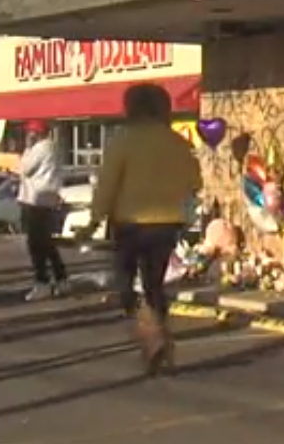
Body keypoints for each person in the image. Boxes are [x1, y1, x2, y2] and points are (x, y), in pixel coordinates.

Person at [83, 83, 202, 375]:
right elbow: (194, 184)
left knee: (125, 284)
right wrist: (186, 221)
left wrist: (94, 220)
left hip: (130, 222)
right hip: (166, 223)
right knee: (154, 283)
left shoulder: (123, 141)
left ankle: (150, 332)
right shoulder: (177, 143)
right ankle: (159, 331)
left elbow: (107, 184)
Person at [18, 120, 68, 301]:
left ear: (34, 133)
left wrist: (27, 148)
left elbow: (24, 169)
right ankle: (61, 278)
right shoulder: (54, 147)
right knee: (46, 243)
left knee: (36, 244)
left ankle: (42, 282)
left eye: (29, 133)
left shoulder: (39, 149)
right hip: (47, 200)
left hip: (35, 200)